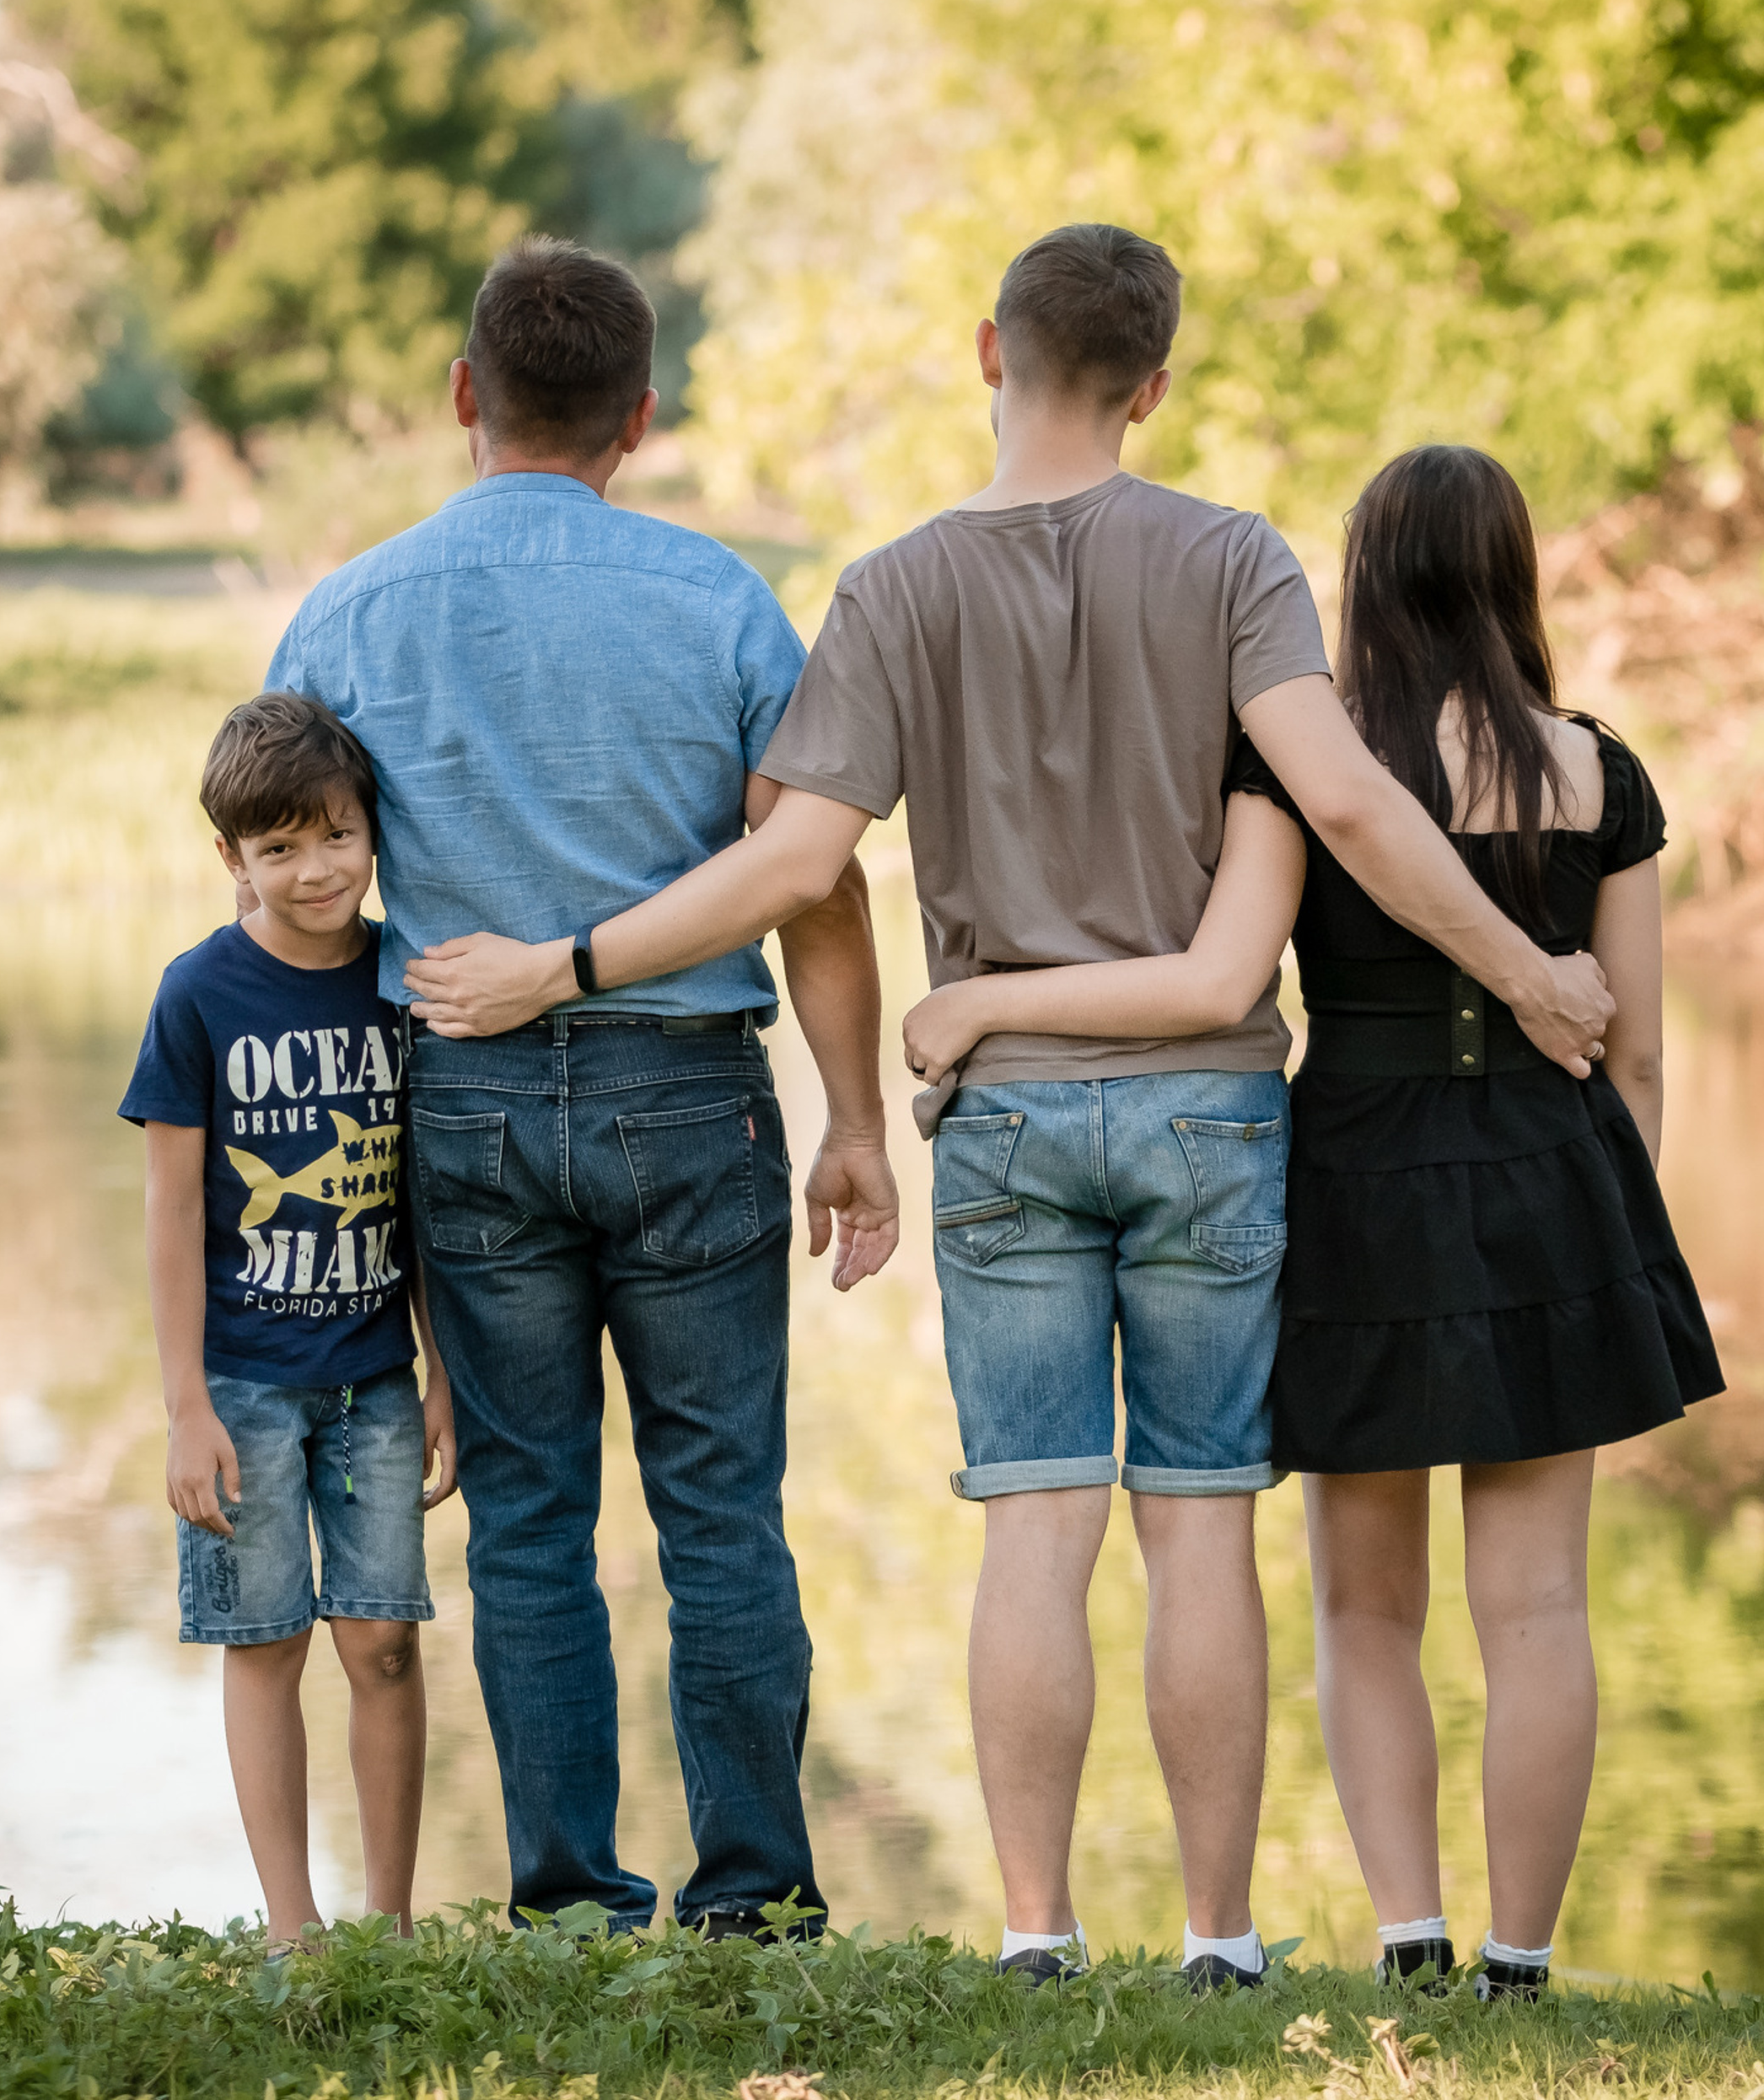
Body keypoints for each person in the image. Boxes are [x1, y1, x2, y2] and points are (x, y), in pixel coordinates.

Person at [401, 228, 1616, 1989]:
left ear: (987, 349)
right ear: (1155, 383)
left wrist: (560, 965)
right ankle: (1218, 1941)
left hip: (1001, 1121)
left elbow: (798, 857)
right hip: (1207, 1112)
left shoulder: (890, 588)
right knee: (1199, 1518)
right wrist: (1522, 968)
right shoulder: (1229, 560)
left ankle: (1036, 1934)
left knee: (1035, 1523)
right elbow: (1347, 798)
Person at [900, 443, 1726, 2001]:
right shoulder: (1600, 771)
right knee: (1541, 1606)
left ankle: (1406, 1940)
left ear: (1360, 581)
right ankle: (1519, 1963)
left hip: (1357, 1184)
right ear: (1515, 572)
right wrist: (1613, 1225)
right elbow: (1641, 1050)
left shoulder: (1303, 759)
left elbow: (1232, 973)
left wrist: (978, 1003)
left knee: (1365, 1600)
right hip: (1554, 1185)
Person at [266, 236, 901, 1939]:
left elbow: (290, 912)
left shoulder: (343, 615)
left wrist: (340, 1197)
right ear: (642, 417)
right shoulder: (719, 601)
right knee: (720, 1509)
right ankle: (754, 1897)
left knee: (531, 1514)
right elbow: (816, 880)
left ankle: (567, 1906)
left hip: (454, 1101)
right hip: (689, 1094)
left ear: (465, 396)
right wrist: (852, 1118)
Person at [121, 692, 458, 1949]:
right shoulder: (199, 994)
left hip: (375, 1374)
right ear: (230, 860)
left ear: (372, 830)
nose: (313, 870)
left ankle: (393, 1917)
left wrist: (440, 1377)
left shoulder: (402, 982)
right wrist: (185, 1409)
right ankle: (290, 1927)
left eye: (335, 837)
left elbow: (422, 1196)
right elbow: (165, 1214)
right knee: (262, 1643)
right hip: (245, 1386)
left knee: (380, 1642)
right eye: (277, 849)